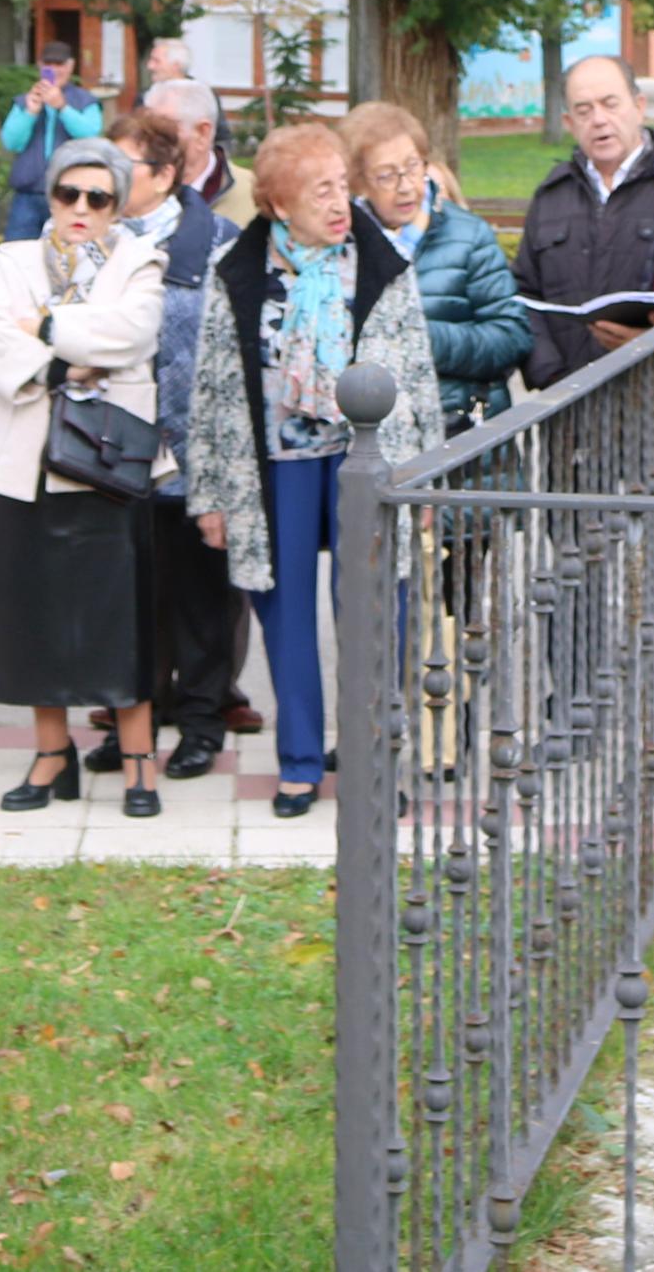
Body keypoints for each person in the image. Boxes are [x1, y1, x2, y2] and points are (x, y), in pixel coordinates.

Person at [186, 122, 443, 817]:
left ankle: (373, 758)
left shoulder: (379, 261)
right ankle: (299, 761)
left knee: (372, 611)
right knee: (285, 614)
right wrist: (210, 494)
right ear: (276, 204)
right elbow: (210, 390)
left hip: (363, 459)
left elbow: (416, 375)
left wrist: (420, 475)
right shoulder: (237, 271)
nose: (339, 203)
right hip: (274, 464)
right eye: (318, 191)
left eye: (341, 185)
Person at [0, 134, 176, 818]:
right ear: (50, 195)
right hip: (26, 459)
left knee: (121, 613)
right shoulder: (12, 259)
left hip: (108, 460)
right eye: (67, 193)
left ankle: (139, 756)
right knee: (31, 613)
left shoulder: (141, 260)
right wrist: (61, 362)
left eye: (98, 196)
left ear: (117, 203)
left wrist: (44, 324)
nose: (80, 208)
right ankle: (52, 754)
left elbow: (132, 333)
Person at [112, 103, 246, 778]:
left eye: (124, 165)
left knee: (199, 602)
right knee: (127, 599)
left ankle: (200, 721)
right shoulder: (91, 238)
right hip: (111, 453)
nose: (105, 178)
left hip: (193, 458)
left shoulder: (220, 240)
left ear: (165, 174)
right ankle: (131, 717)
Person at [344, 103, 527, 431]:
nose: (405, 186)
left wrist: (423, 338)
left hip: (462, 440)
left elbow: (512, 337)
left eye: (413, 167)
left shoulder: (469, 236)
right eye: (386, 175)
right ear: (359, 183)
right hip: (372, 439)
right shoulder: (342, 246)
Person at [515, 56, 654, 388]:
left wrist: (648, 348)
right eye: (584, 111)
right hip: (566, 400)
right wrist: (549, 374)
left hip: (653, 393)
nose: (598, 120)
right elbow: (524, 293)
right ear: (569, 121)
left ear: (639, 106)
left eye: (610, 105)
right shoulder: (552, 196)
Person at [0, 43, 107, 239]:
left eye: (60, 64)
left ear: (70, 66)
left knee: (67, 253)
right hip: (28, 195)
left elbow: (91, 136)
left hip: (70, 195)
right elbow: (11, 142)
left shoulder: (86, 100)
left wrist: (62, 107)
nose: (55, 70)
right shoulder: (25, 100)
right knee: (17, 254)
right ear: (40, 66)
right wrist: (30, 112)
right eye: (49, 64)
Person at [145, 76, 242, 217]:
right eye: (147, 128)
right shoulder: (133, 190)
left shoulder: (254, 195)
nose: (149, 140)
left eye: (164, 128)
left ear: (202, 134)